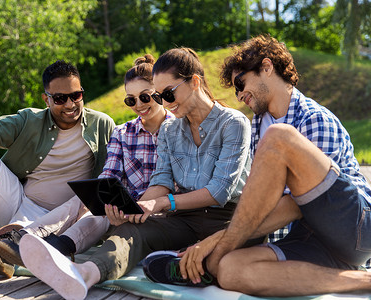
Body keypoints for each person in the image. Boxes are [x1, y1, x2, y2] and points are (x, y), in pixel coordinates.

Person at [144, 35, 371, 296]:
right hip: (312, 239)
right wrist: (221, 252)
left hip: (356, 227)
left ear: (267, 68)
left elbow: (295, 204)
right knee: (230, 269)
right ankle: (370, 280)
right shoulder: (259, 125)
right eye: (235, 89)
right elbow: (260, 201)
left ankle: (204, 261)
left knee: (280, 137)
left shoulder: (313, 119)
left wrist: (217, 242)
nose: (239, 94)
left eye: (240, 83)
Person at [18, 47, 261, 300]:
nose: (165, 103)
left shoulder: (233, 123)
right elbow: (162, 181)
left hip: (226, 222)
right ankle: (83, 274)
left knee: (220, 260)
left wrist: (161, 203)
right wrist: (137, 208)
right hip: (184, 219)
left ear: (195, 82)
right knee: (131, 231)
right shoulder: (170, 130)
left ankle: (185, 265)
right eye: (160, 96)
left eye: (168, 93)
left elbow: (219, 192)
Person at [0, 60, 115, 278]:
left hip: (62, 215)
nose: (69, 104)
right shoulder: (29, 120)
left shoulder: (102, 124)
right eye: (60, 98)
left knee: (10, 237)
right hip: (18, 198)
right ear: (46, 99)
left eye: (76, 95)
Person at [0, 53, 173, 266]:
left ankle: (49, 245)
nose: (139, 105)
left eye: (145, 96)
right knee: (88, 200)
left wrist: (139, 206)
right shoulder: (122, 133)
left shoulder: (177, 131)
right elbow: (108, 177)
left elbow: (172, 183)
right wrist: (102, 200)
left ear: (158, 93)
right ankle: (28, 238)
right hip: (121, 212)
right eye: (130, 100)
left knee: (97, 211)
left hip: (160, 213)